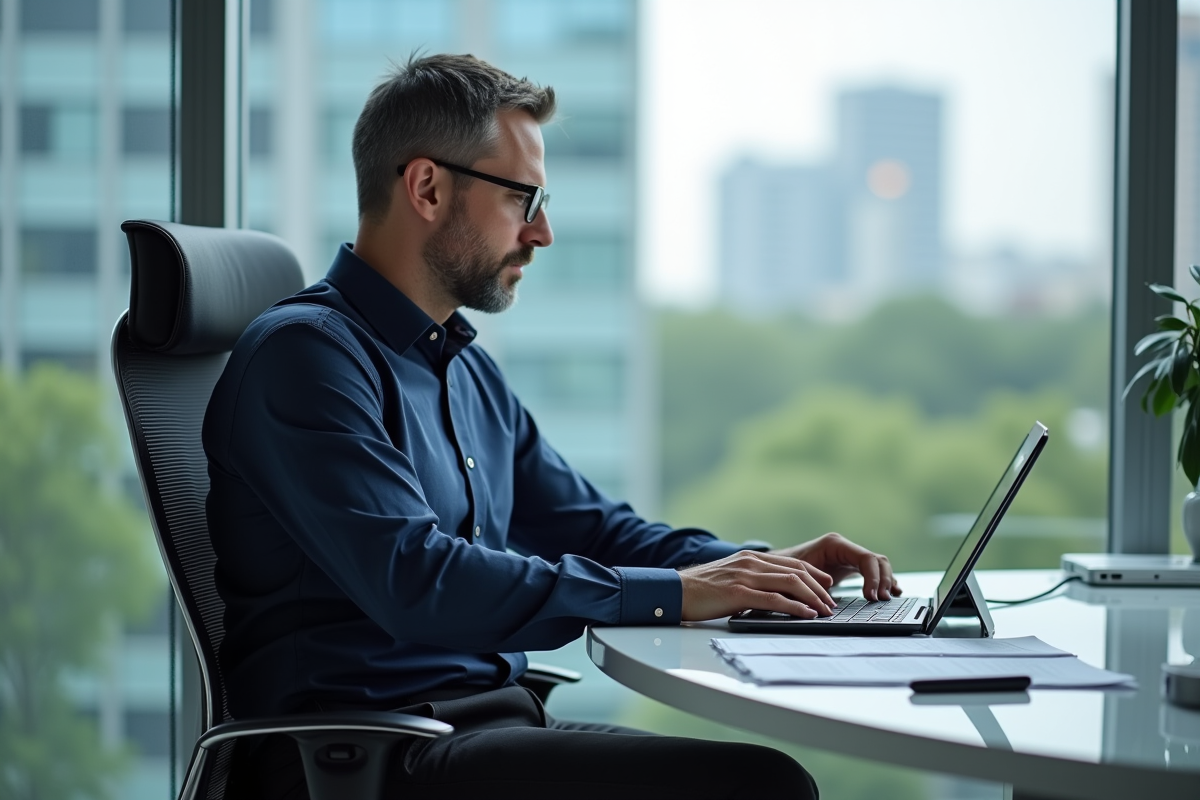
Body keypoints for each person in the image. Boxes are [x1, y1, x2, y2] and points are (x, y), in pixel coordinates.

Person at [203, 53, 901, 800]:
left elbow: (595, 529)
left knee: (761, 779)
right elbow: (418, 579)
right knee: (762, 788)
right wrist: (676, 592)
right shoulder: (307, 358)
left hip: (490, 727)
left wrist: (756, 570)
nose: (542, 233)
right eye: (522, 198)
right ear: (428, 188)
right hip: (367, 759)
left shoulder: (465, 369)